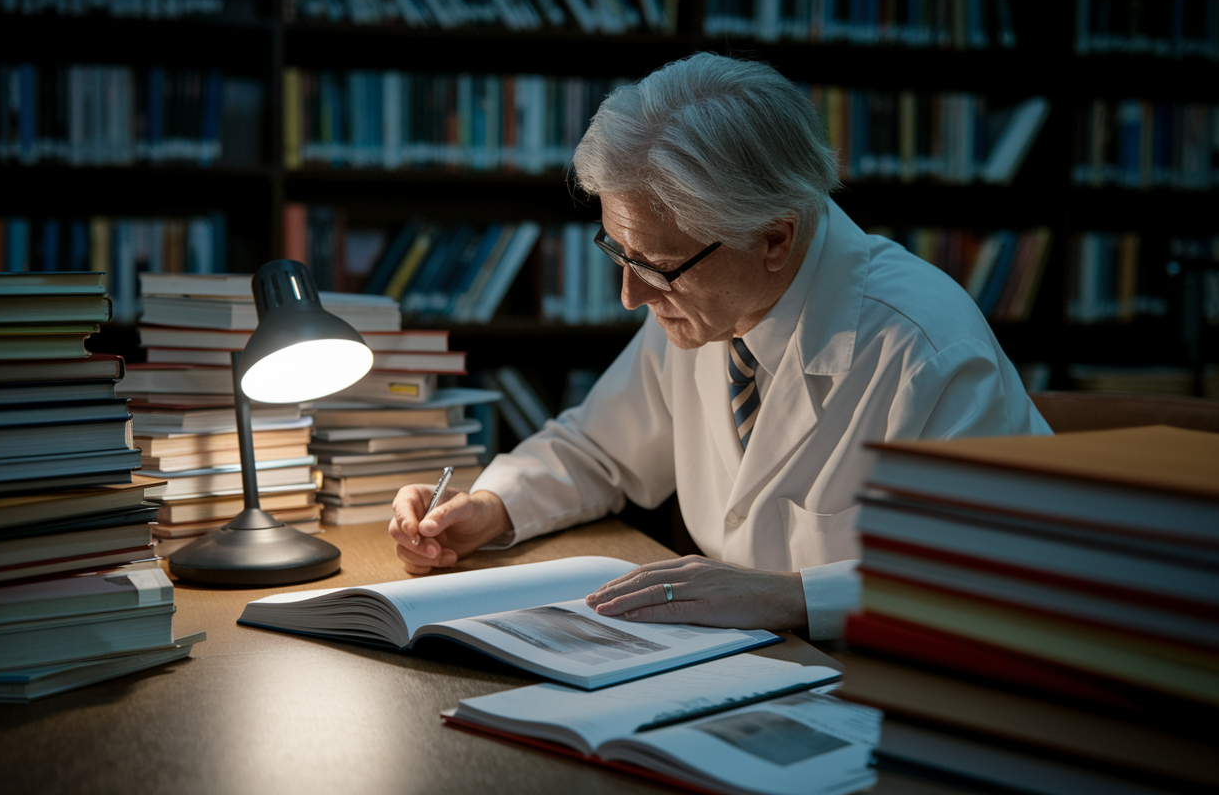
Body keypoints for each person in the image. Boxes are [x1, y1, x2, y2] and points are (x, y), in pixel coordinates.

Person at [388, 52, 1051, 638]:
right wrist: (487, 508)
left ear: (774, 238)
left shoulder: (922, 346)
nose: (632, 296)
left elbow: (1001, 579)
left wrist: (794, 597)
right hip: (742, 662)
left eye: (660, 265)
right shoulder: (702, 307)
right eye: (620, 253)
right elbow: (599, 449)